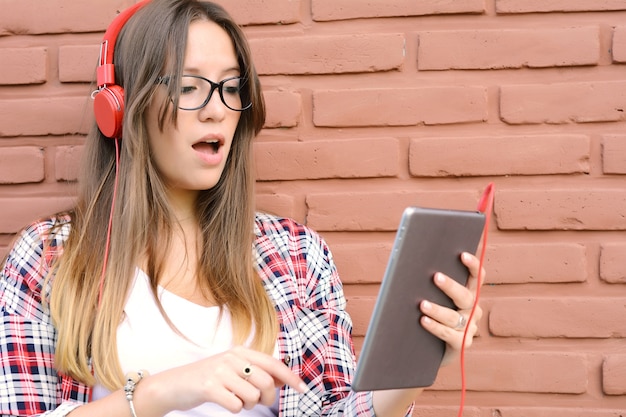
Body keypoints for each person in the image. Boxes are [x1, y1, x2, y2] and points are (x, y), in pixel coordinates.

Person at [0, 0, 485, 416]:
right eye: (188, 87)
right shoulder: (49, 257)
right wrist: (163, 391)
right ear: (123, 108)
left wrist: (419, 364)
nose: (217, 109)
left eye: (231, 88)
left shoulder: (297, 255)